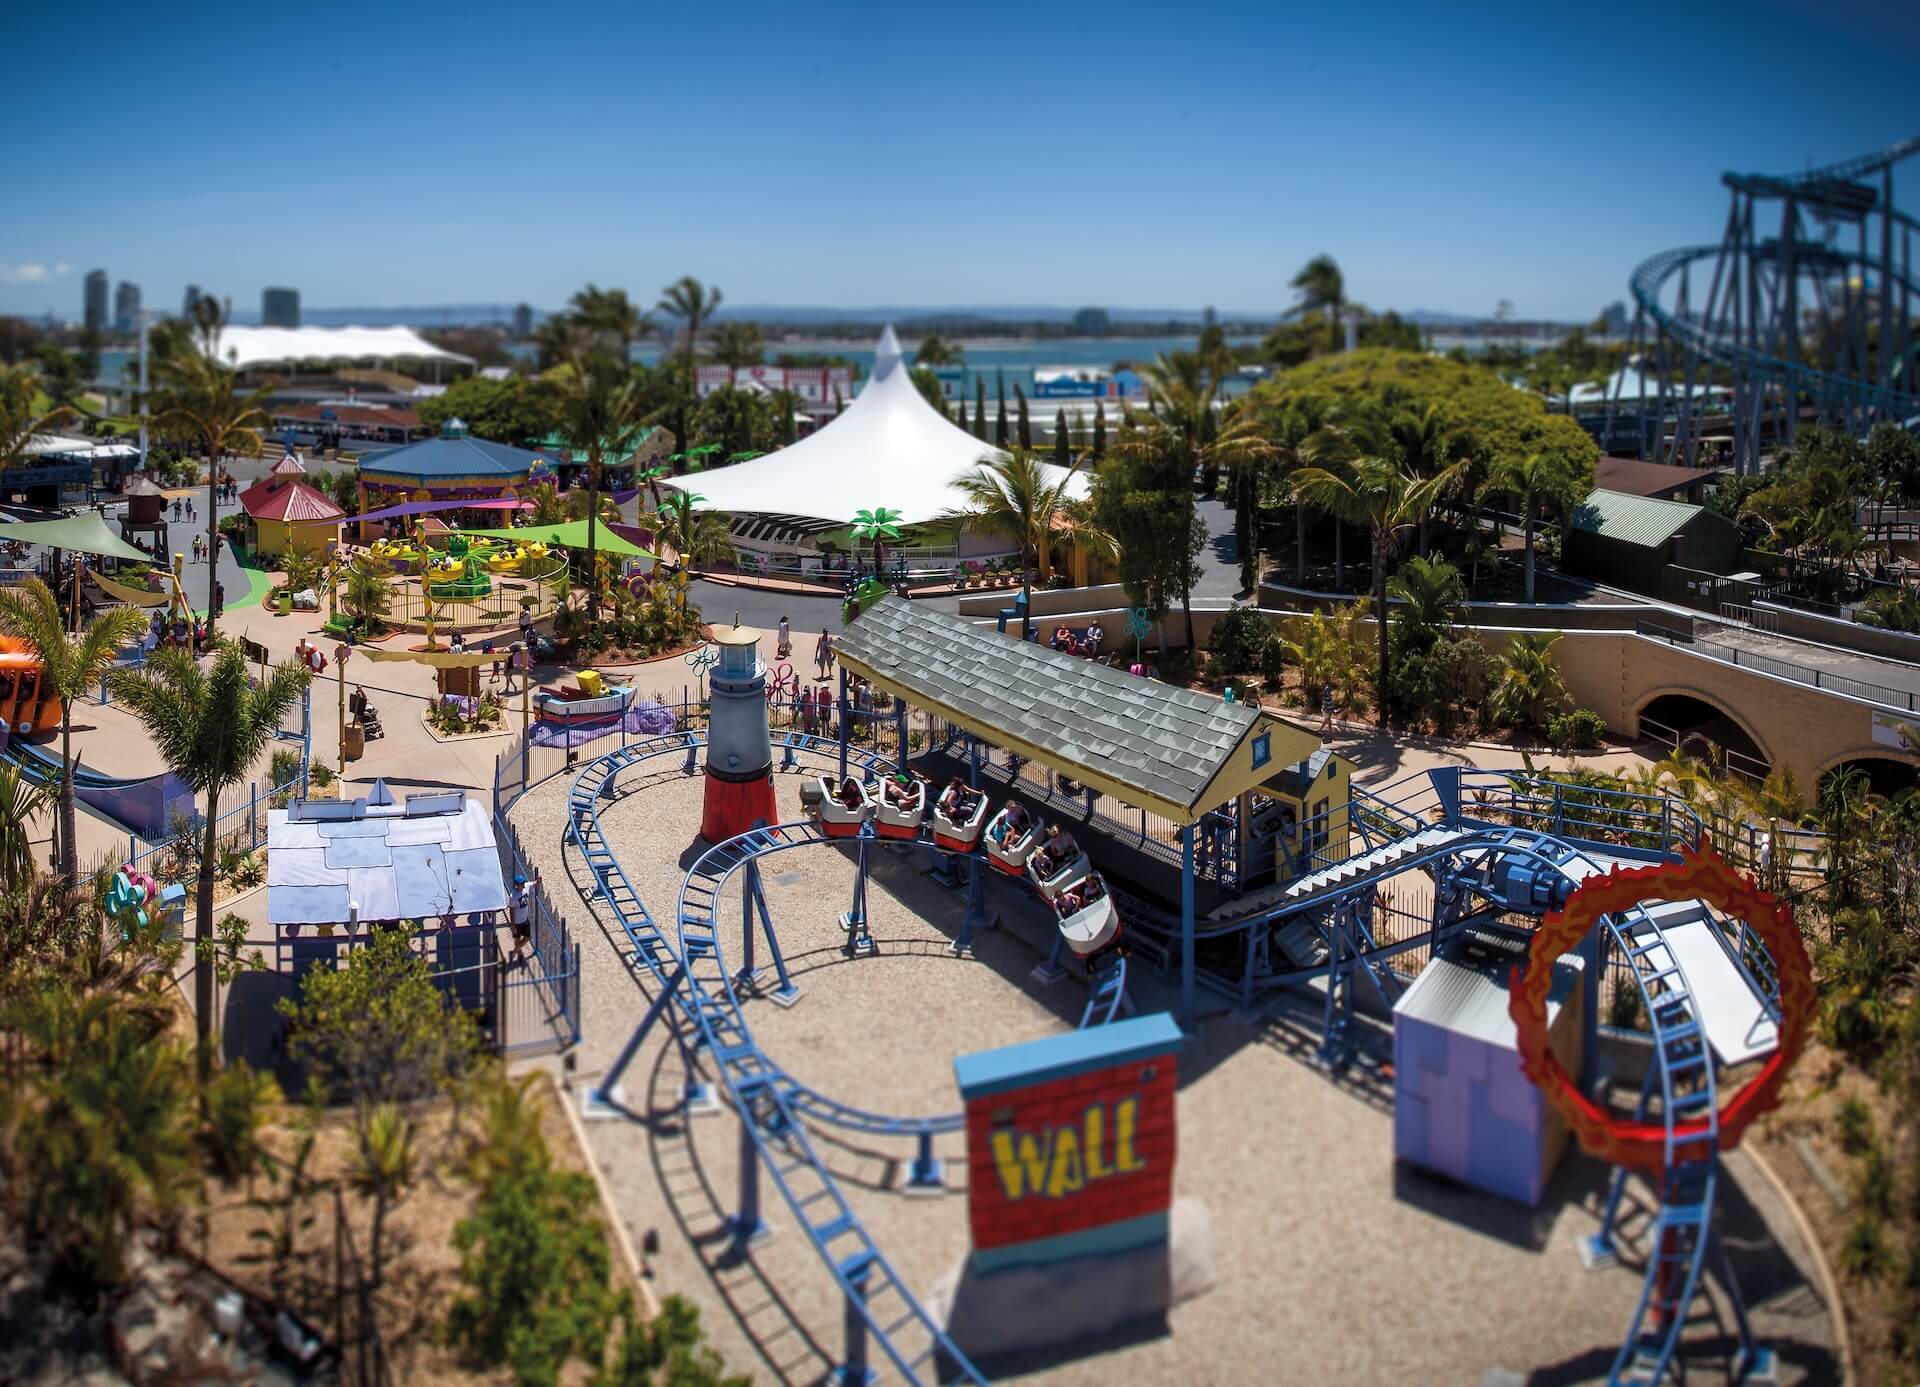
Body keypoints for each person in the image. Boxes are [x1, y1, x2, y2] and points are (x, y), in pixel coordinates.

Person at [509, 873, 533, 953]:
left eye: (523, 883)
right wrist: (513, 925)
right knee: (517, 939)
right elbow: (511, 910)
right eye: (521, 883)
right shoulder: (513, 896)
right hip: (517, 922)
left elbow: (533, 883)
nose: (523, 884)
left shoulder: (526, 887)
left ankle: (514, 952)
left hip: (525, 920)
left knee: (528, 938)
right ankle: (517, 951)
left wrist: (538, 881)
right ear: (517, 885)